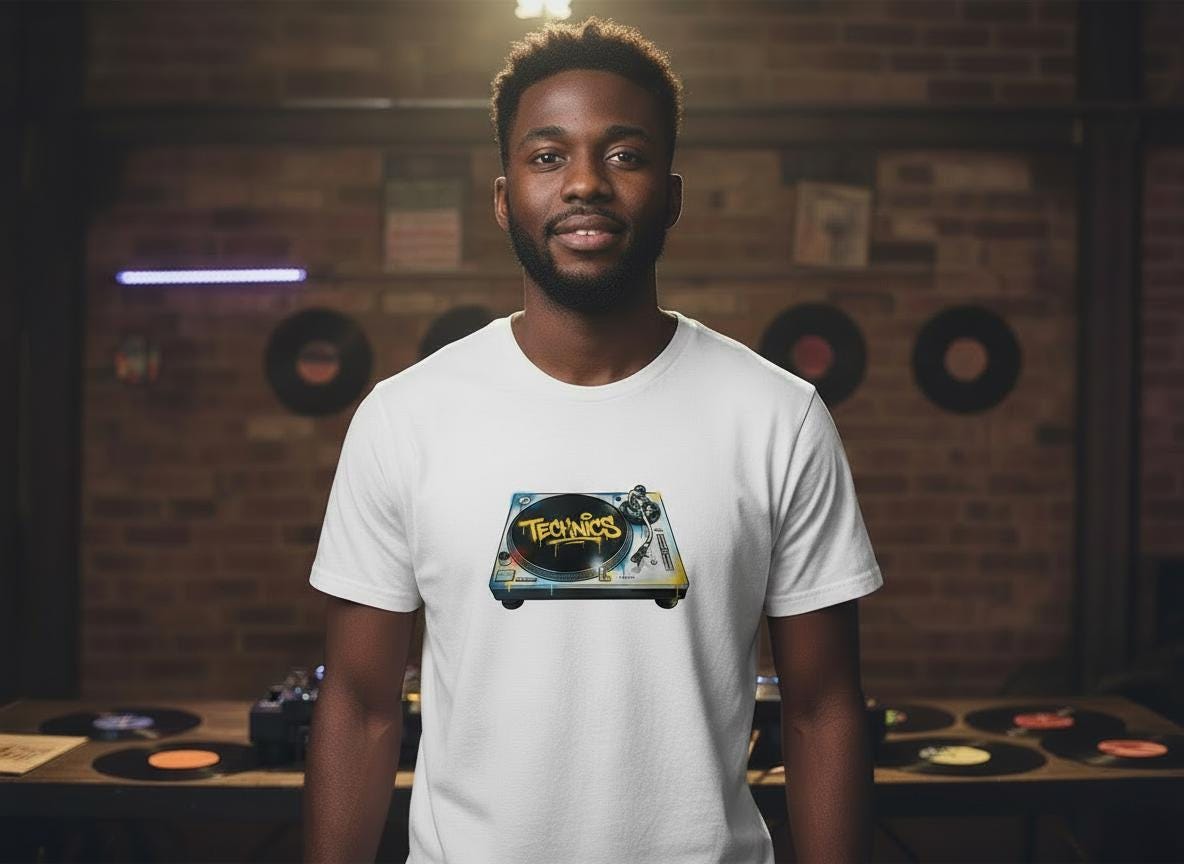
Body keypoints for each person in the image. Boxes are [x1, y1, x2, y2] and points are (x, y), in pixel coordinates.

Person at [303, 16, 883, 864]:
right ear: (504, 197)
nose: (585, 183)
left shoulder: (777, 416)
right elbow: (359, 707)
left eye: (624, 154)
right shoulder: (404, 418)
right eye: (547, 156)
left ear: (671, 196)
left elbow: (824, 708)